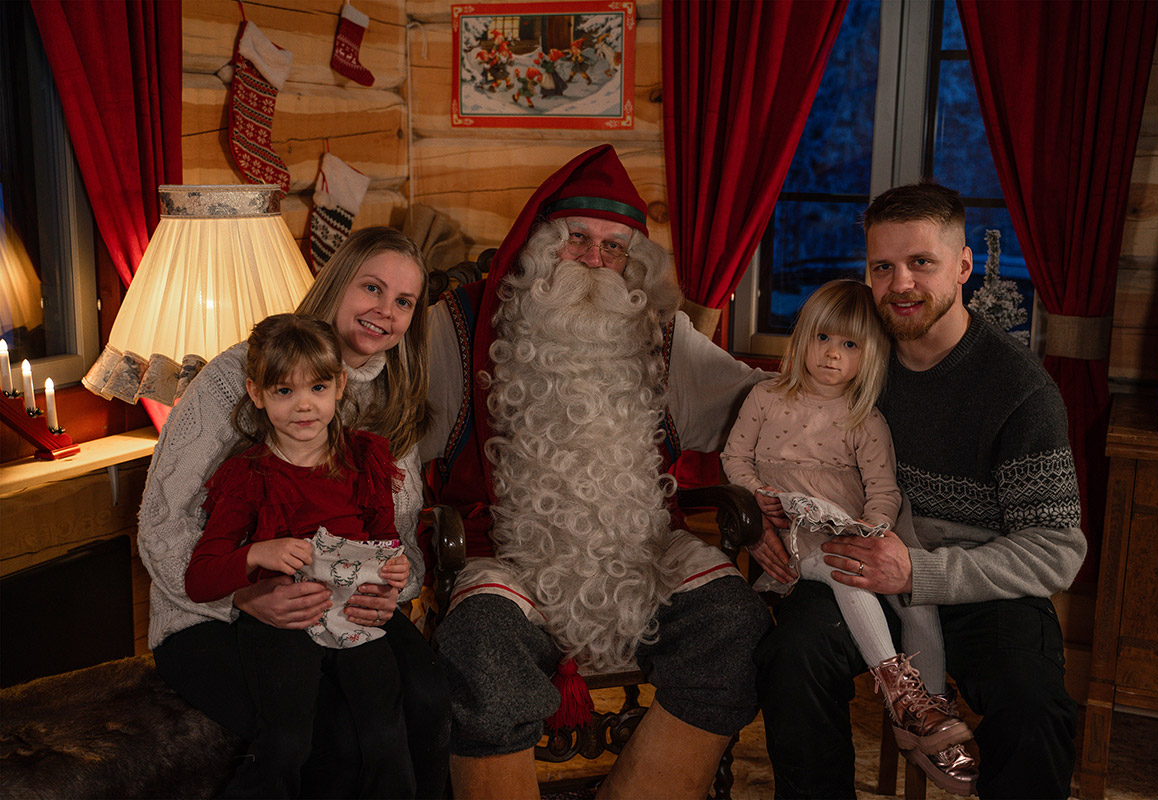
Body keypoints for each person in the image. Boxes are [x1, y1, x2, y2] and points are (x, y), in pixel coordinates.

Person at [419, 144, 773, 799]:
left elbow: (753, 401)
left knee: (733, 622)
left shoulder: (662, 334)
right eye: (579, 239)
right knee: (480, 643)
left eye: (615, 250)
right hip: (504, 554)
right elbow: (396, 445)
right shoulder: (459, 324)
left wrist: (838, 386)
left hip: (639, 554)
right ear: (540, 242)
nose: (595, 262)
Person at [753, 183, 1087, 799]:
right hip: (860, 565)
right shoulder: (855, 362)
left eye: (921, 263)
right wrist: (769, 524)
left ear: (963, 266)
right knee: (792, 654)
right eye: (884, 266)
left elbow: (1056, 551)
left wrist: (918, 572)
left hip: (982, 582)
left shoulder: (1018, 390)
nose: (900, 283)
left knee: (1034, 708)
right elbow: (782, 441)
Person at [139, 227, 450, 798]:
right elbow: (162, 522)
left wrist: (387, 591)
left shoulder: (392, 396)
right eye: (372, 288)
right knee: (335, 732)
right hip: (216, 610)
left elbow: (395, 539)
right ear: (336, 284)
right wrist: (246, 594)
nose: (384, 311)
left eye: (403, 302)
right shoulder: (243, 373)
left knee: (428, 698)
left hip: (344, 605)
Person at [721, 279, 977, 795]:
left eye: (850, 345)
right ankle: (896, 688)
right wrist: (756, 495)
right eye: (822, 339)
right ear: (802, 338)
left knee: (916, 600)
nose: (832, 356)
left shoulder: (866, 418)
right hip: (802, 540)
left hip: (855, 530)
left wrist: (874, 529)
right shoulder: (766, 396)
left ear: (870, 355)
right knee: (847, 570)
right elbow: (734, 459)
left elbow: (884, 491)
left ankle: (927, 712)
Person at [185, 313, 415, 798]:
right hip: (280, 620)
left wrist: (396, 569)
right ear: (256, 392)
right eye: (284, 392)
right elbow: (200, 578)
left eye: (316, 387)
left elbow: (387, 540)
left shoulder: (363, 459)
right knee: (288, 739)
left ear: (339, 385)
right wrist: (256, 554)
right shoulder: (249, 475)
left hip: (356, 613)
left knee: (384, 731)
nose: (303, 406)